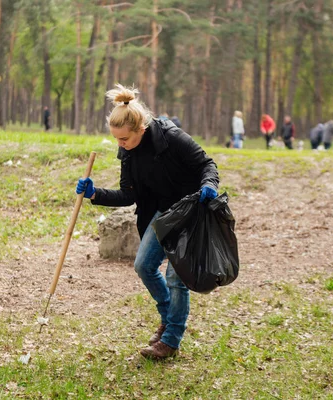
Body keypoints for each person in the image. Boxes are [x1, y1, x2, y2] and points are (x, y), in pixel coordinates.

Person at [76, 84, 219, 360]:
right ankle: (168, 317)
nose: (121, 145)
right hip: (162, 212)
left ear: (140, 129)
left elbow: (207, 165)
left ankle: (171, 340)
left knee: (175, 278)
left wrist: (209, 184)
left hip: (189, 211)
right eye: (117, 140)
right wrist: (95, 193)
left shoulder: (171, 137)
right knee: (143, 265)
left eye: (124, 140)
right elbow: (129, 195)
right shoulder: (128, 153)